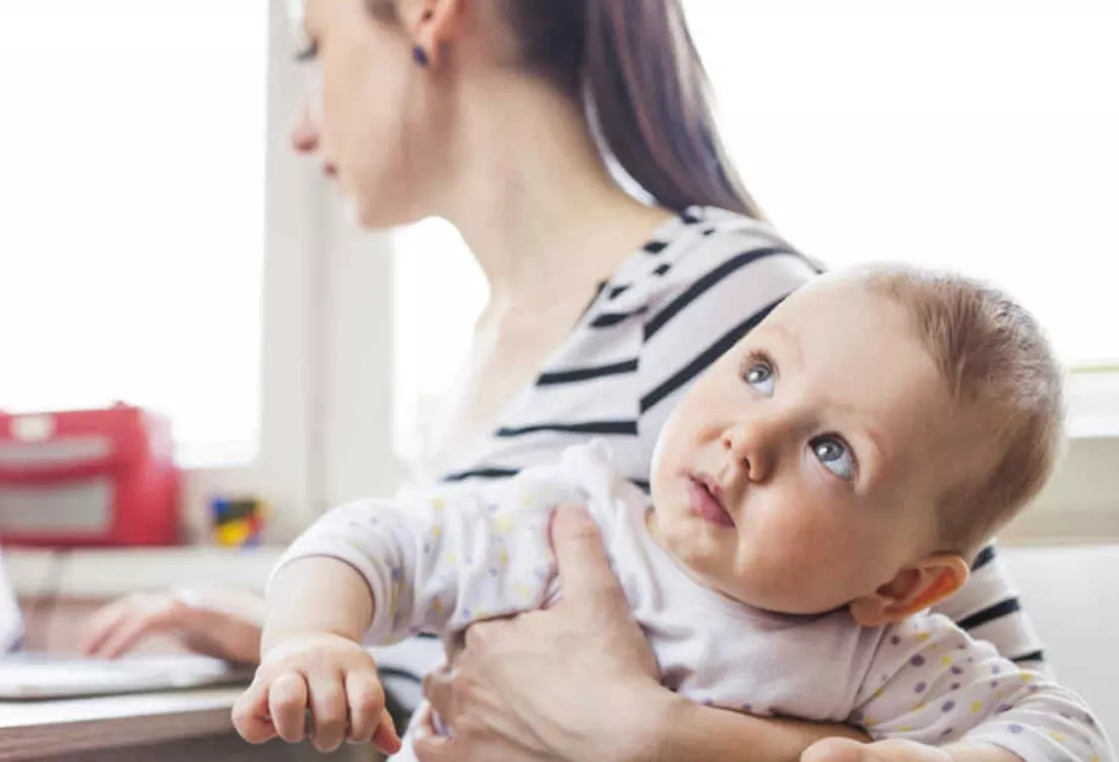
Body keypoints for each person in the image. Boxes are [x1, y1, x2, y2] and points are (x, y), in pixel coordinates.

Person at [79, 0, 1051, 758]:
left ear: (426, 14)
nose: (299, 127)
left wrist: (649, 741)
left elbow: (989, 715)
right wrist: (301, 636)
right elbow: (516, 651)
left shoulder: (710, 295)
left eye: (315, 49)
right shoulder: (483, 355)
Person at [235, 264, 1111, 762]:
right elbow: (377, 539)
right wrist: (311, 640)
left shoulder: (879, 659)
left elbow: (1066, 734)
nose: (748, 440)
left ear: (907, 584)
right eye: (761, 371)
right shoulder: (563, 522)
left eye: (832, 451)